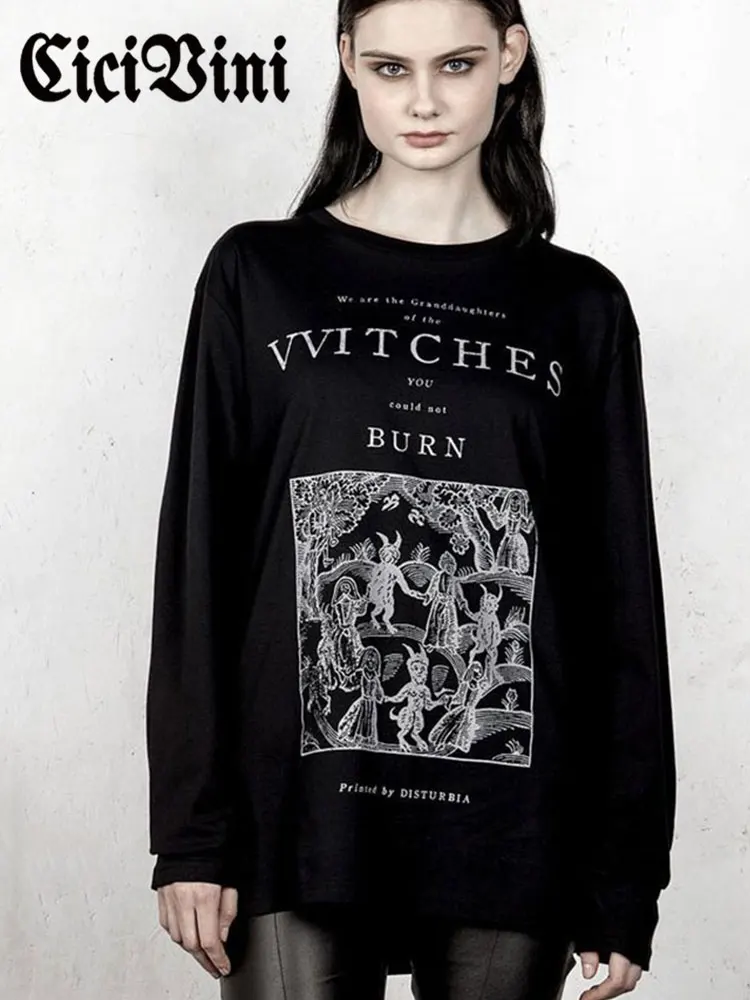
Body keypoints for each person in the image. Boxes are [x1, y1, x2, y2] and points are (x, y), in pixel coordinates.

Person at [145, 1, 677, 998]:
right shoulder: (259, 274)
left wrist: (623, 876)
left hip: (512, 819)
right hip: (296, 808)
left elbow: (619, 604)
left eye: (457, 64)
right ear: (348, 62)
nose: (423, 102)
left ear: (510, 56)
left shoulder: (580, 306)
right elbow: (199, 563)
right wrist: (191, 834)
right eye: (391, 68)